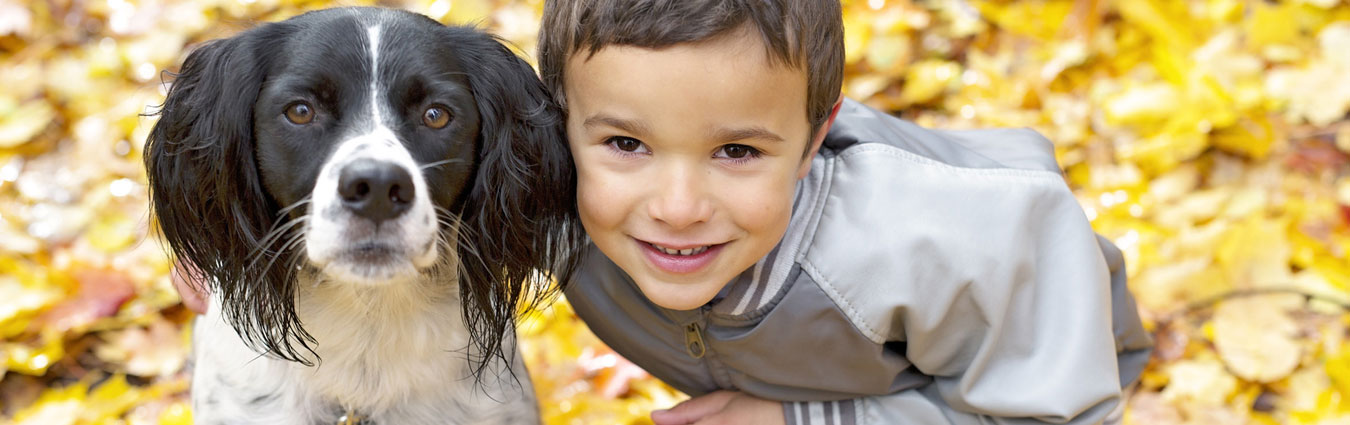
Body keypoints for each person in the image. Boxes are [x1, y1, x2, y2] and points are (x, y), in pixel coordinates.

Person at [174, 1, 1153, 423]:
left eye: (737, 149)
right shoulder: (570, 205)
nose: (675, 206)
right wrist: (215, 230)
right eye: (626, 144)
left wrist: (802, 416)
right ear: (563, 134)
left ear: (816, 139)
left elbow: (1058, 406)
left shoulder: (967, 242)